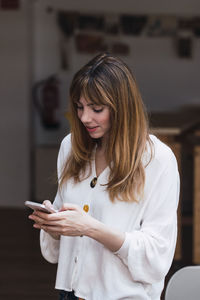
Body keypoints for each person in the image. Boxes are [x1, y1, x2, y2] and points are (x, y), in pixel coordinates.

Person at [29, 53, 180, 300]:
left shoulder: (158, 160)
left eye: (96, 109)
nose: (84, 117)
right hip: (68, 293)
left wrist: (90, 228)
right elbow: (57, 248)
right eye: (79, 107)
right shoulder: (71, 147)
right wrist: (54, 226)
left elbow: (157, 257)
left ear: (122, 107)